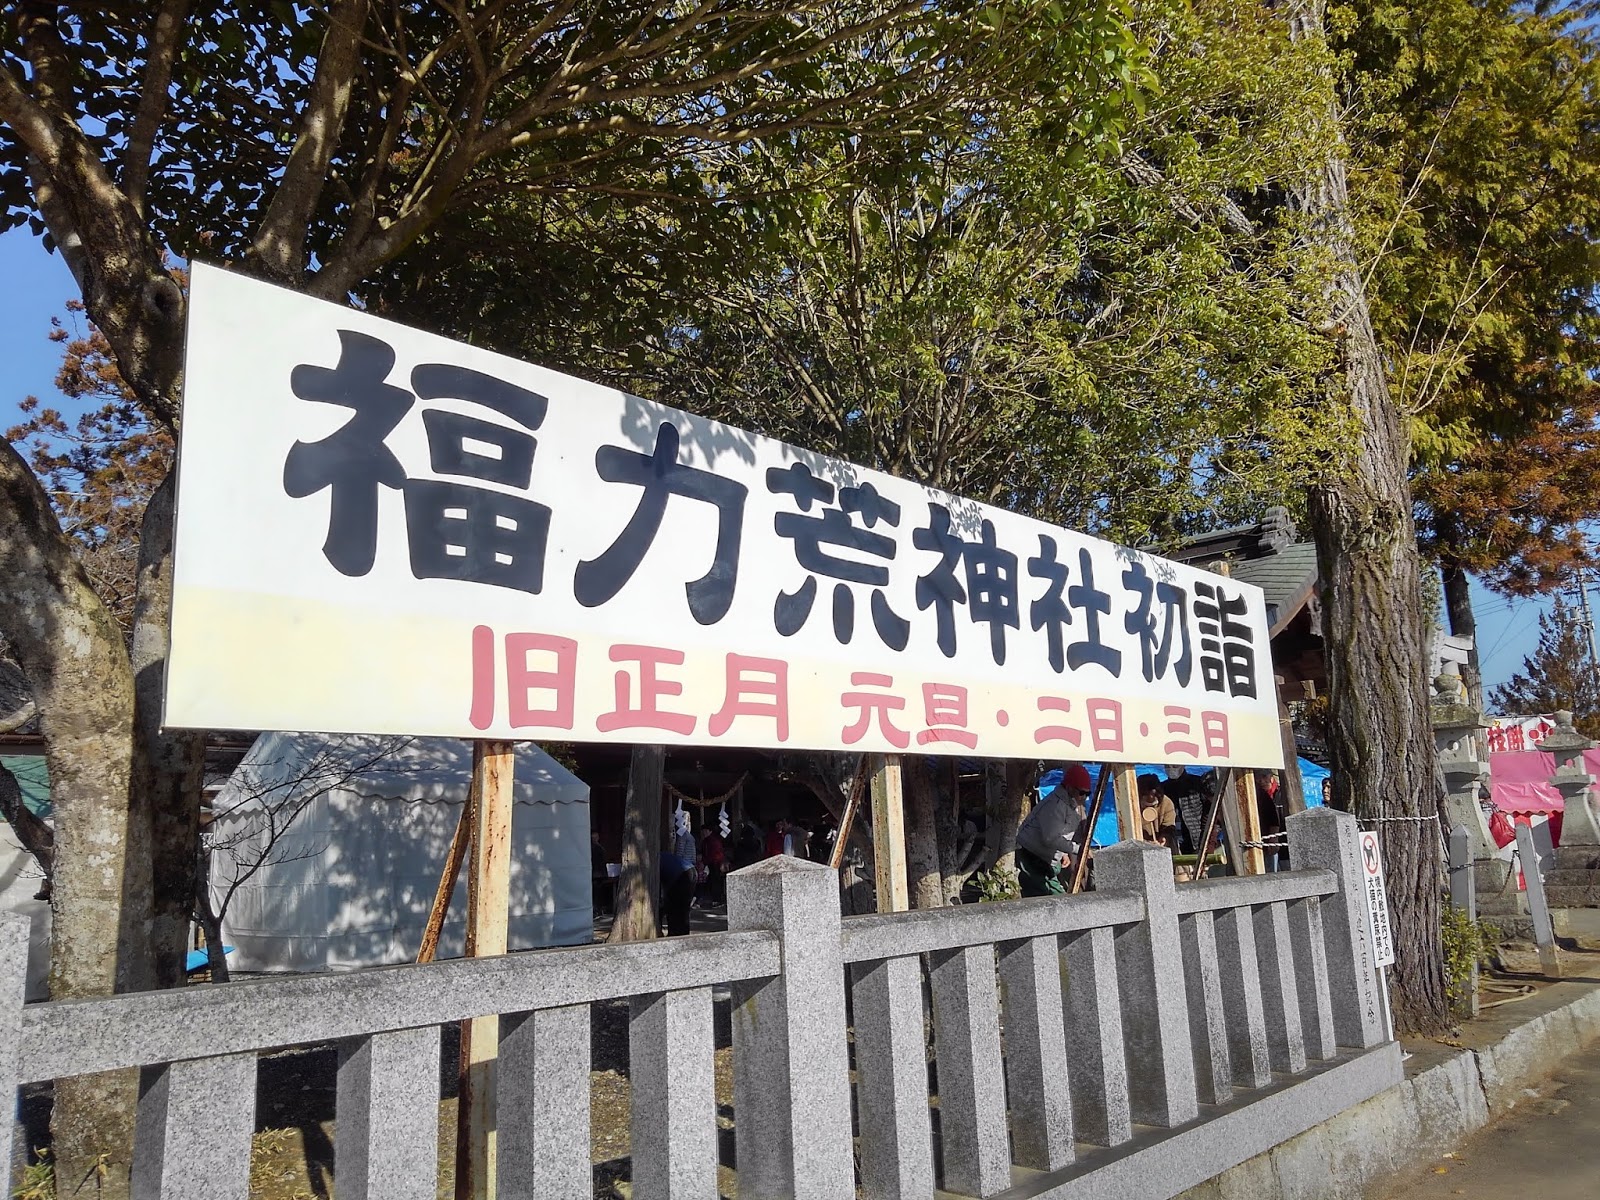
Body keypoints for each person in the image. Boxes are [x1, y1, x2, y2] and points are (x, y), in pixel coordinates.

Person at [1016, 763, 1093, 896]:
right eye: (1082, 793)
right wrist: (1078, 849)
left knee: (1053, 898)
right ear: (1069, 788)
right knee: (1049, 899)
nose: (1084, 797)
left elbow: (1057, 833)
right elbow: (1050, 838)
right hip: (1032, 858)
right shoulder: (1055, 806)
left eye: (1087, 793)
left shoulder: (1068, 804)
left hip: (1043, 859)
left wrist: (1062, 853)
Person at [1137, 773, 1179, 849]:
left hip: (1165, 848)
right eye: (1146, 795)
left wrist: (1164, 838)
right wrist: (1145, 843)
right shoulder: (1132, 806)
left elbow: (1169, 826)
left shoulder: (1166, 802)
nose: (1150, 797)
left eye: (1154, 794)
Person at [659, 851, 694, 936]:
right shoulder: (660, 855)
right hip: (690, 869)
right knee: (683, 907)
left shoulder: (652, 860)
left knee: (674, 908)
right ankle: (682, 933)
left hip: (680, 875)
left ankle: (676, 934)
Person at [699, 825, 727, 906]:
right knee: (712, 881)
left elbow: (714, 854)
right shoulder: (706, 841)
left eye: (705, 831)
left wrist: (705, 861)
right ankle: (714, 899)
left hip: (715, 863)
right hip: (712, 863)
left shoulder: (712, 841)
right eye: (702, 832)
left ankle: (717, 899)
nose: (703, 833)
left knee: (715, 881)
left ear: (710, 831)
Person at [590, 829, 611, 917]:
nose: (596, 838)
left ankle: (599, 909)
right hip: (596, 873)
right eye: (594, 837)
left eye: (597, 837)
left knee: (599, 892)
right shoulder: (593, 848)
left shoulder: (598, 846)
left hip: (600, 873)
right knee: (596, 892)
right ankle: (596, 909)